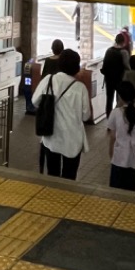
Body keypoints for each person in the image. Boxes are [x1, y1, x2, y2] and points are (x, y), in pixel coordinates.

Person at [31, 47, 91, 179]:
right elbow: (86, 116)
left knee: (53, 175)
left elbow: (35, 101)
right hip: (73, 140)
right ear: (76, 66)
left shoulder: (49, 80)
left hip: (52, 136)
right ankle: (67, 198)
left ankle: (53, 197)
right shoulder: (80, 88)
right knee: (69, 176)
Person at [100, 34, 130, 119]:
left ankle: (109, 119)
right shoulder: (123, 52)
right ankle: (118, 119)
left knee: (109, 99)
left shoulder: (108, 50)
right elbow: (127, 67)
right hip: (119, 79)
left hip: (109, 79)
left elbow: (104, 65)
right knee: (119, 100)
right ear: (123, 42)